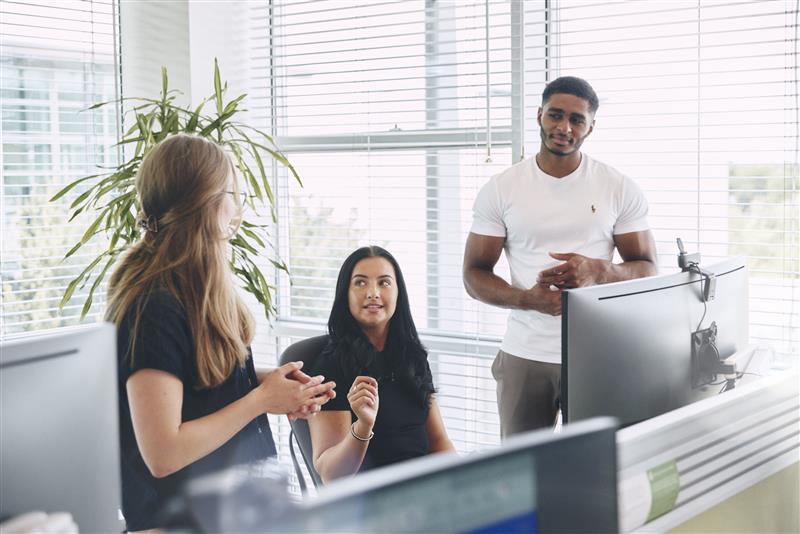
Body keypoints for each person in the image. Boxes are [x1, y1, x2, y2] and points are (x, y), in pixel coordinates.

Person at [105, 134, 336, 532]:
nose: (238, 208)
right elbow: (163, 452)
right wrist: (260, 400)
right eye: (232, 192)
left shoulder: (195, 286)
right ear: (205, 202)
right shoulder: (154, 306)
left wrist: (272, 386)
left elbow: (197, 383)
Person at [462, 76, 658, 438]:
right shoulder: (502, 189)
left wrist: (598, 271)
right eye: (555, 115)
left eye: (576, 119)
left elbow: (648, 269)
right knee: (522, 473)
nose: (564, 127)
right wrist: (526, 300)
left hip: (597, 355)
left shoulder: (617, 186)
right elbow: (474, 273)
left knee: (595, 470)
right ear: (539, 115)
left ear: (591, 127)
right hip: (525, 353)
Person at [307, 246, 455, 482]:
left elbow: (439, 443)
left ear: (398, 293)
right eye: (360, 283)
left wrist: (463, 484)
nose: (373, 293)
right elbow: (331, 475)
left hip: (425, 492)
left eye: (384, 283)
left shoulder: (412, 355)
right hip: (375, 503)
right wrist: (364, 425)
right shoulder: (330, 367)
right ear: (345, 293)